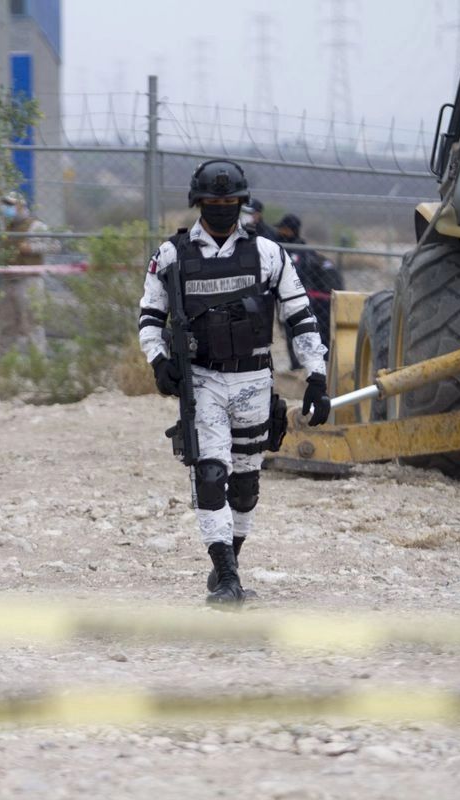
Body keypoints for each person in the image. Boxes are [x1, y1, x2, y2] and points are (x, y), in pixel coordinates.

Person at [137, 160, 330, 605]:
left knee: (245, 485)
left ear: (241, 203)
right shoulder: (172, 255)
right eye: (213, 202)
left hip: (254, 381)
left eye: (229, 202)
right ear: (198, 203)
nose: (222, 209)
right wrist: (158, 359)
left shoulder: (268, 253)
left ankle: (231, 562)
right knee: (209, 472)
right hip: (202, 380)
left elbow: (300, 317)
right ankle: (226, 578)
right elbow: (150, 314)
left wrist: (316, 376)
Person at [275, 213, 344, 367]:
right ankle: (303, 366)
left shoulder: (298, 252)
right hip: (306, 300)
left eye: (283, 229)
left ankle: (304, 367)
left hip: (307, 301)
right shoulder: (292, 248)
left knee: (304, 334)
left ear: (290, 230)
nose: (279, 232)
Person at [0, 191, 57, 354]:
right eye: (6, 205)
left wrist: (31, 248)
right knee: (7, 323)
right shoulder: (7, 227)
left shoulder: (35, 226)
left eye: (11, 205)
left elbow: (53, 245)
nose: (7, 209)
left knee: (32, 323)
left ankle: (37, 363)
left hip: (29, 281)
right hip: (9, 280)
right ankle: (5, 361)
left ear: (21, 206)